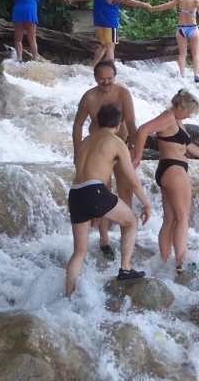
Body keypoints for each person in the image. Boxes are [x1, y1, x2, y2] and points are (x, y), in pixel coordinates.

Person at [65, 103, 151, 297]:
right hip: (93, 190)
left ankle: (67, 296)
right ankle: (126, 268)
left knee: (79, 250)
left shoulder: (86, 141)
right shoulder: (116, 142)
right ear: (119, 125)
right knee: (131, 222)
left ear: (97, 122)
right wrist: (146, 203)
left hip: (75, 193)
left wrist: (95, 210)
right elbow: (132, 180)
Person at [132, 90, 199, 273]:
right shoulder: (168, 117)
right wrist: (137, 157)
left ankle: (165, 259)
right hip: (174, 169)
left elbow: (188, 146)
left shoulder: (177, 121)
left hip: (168, 169)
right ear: (179, 106)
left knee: (170, 218)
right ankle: (180, 261)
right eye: (188, 111)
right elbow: (143, 129)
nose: (189, 115)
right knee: (183, 217)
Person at [72, 60, 138, 260]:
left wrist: (135, 149)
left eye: (109, 78)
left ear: (115, 77)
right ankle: (104, 238)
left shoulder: (123, 94)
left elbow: (132, 122)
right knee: (103, 191)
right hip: (99, 153)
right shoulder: (89, 97)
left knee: (125, 190)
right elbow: (77, 125)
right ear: (95, 78)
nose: (106, 82)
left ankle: (125, 233)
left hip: (121, 147)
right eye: (102, 79)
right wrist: (77, 152)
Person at [68, 0, 151, 66]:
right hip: (109, 23)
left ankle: (94, 66)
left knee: (103, 45)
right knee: (110, 47)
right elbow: (126, 0)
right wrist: (142, 4)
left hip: (99, 22)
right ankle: (110, 70)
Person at [148, 0, 199, 82]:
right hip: (192, 27)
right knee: (195, 54)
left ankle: (182, 75)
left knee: (182, 54)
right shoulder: (195, 0)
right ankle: (196, 75)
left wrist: (153, 8)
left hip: (181, 29)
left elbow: (166, 5)